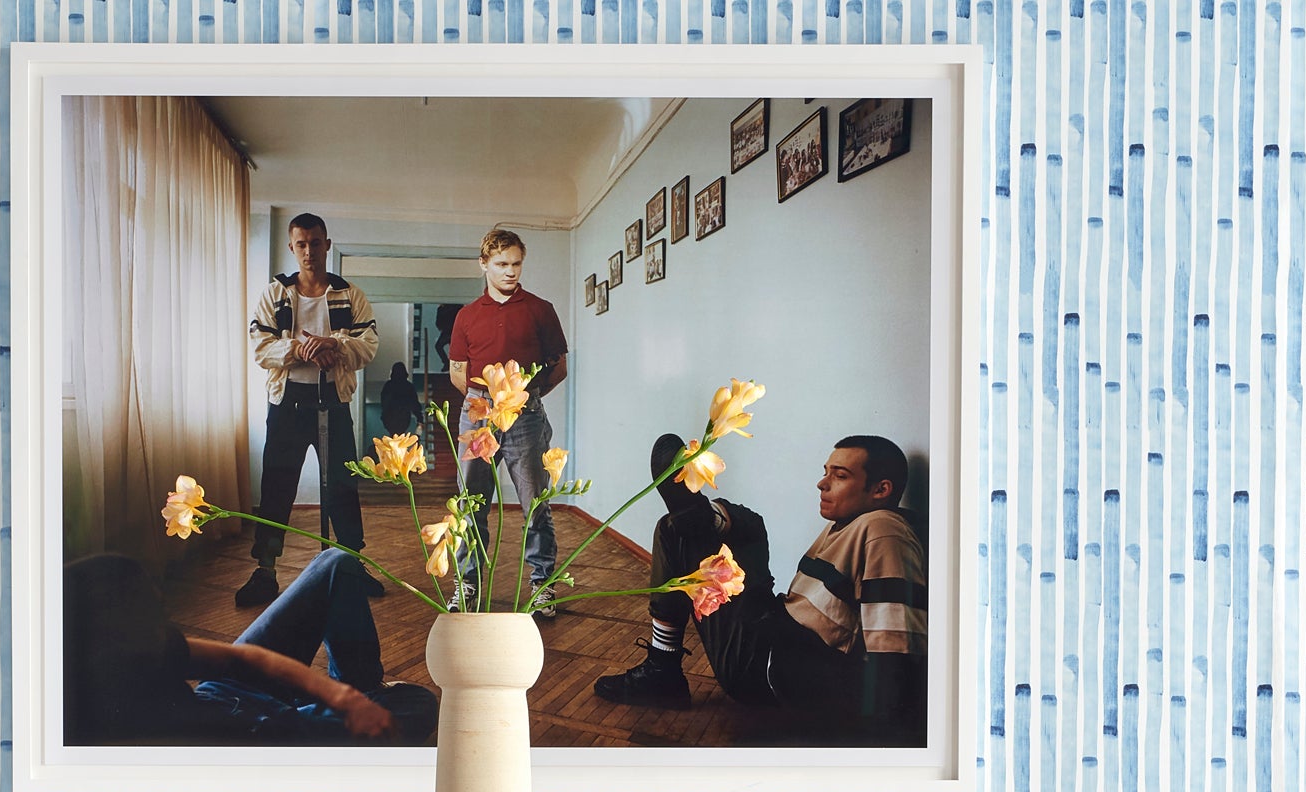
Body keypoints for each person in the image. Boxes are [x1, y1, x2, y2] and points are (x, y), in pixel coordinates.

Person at [594, 434, 928, 744]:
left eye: (839, 476)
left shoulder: (884, 529)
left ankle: (662, 669)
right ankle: (705, 516)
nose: (822, 483)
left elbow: (894, 656)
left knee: (676, 532)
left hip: (767, 663)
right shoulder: (853, 524)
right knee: (745, 525)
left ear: (881, 490)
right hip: (774, 628)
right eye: (826, 472)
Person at [65, 550, 437, 747]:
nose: (163, 604)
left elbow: (236, 657)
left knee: (336, 564)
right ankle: (353, 712)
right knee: (420, 703)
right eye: (150, 609)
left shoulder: (108, 641)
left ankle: (360, 697)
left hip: (223, 694)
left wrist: (343, 697)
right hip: (260, 736)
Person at [237, 213, 380, 609]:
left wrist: (334, 346)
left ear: (327, 245)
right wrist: (297, 349)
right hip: (287, 405)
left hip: (332, 403)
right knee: (277, 485)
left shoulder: (349, 294)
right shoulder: (275, 294)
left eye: (316, 243)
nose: (309, 251)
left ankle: (353, 565)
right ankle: (265, 570)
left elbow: (367, 345)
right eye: (301, 244)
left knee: (342, 486)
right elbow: (259, 348)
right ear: (291, 248)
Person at [448, 228, 569, 617]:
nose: (510, 272)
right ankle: (467, 584)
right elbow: (457, 373)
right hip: (478, 411)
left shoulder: (540, 309)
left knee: (536, 503)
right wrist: (485, 403)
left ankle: (542, 586)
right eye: (501, 264)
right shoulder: (466, 316)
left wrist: (523, 399)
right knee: (470, 503)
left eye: (516, 264)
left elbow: (559, 368)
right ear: (483, 264)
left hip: (525, 412)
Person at [379, 360, 423, 437]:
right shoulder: (408, 386)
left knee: (394, 436)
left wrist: (384, 415)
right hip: (403, 418)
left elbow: (384, 402)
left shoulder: (388, 385)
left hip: (389, 417)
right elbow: (414, 403)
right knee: (400, 437)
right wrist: (420, 418)